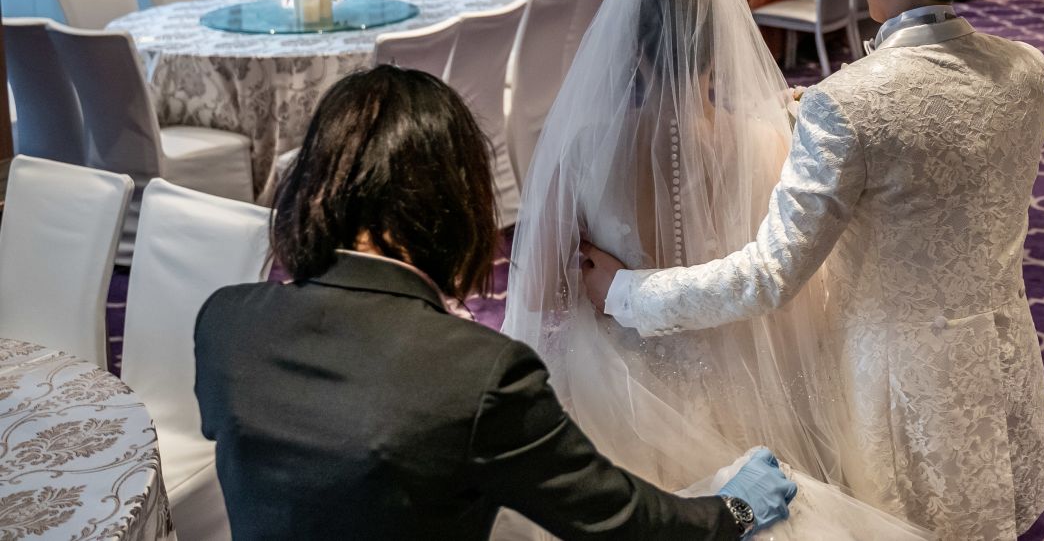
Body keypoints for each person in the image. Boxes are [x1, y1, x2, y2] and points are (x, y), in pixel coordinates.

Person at [582, 0, 1044, 541]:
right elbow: (946, 145)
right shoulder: (1029, 70)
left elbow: (766, 276)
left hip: (895, 387)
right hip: (1000, 355)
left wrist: (625, 293)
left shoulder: (850, 102)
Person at [193, 65, 793, 541]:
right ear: (453, 203)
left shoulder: (224, 323)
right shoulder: (480, 374)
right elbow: (625, 525)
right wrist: (735, 510)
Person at [503, 0, 931, 540]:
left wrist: (599, 284)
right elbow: (799, 298)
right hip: (741, 382)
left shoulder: (584, 152)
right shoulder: (768, 143)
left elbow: (538, 300)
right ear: (722, 44)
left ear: (631, 49)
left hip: (619, 395)